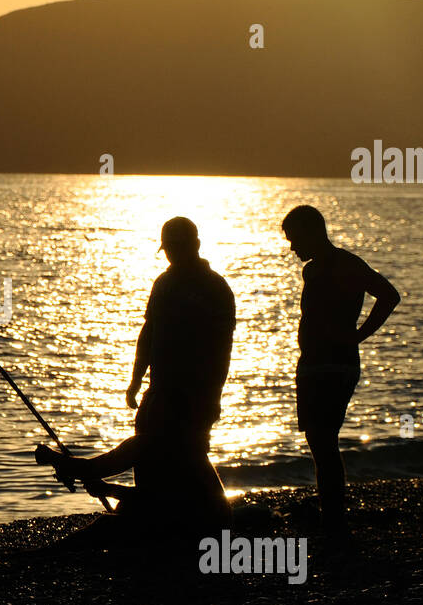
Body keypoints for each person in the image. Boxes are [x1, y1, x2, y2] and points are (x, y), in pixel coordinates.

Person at [36, 216, 236, 547]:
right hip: (175, 397)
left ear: (194, 246)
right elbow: (149, 334)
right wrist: (136, 380)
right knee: (173, 472)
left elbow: (222, 351)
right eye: (168, 249)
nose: (171, 255)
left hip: (192, 397)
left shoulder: (215, 289)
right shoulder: (166, 284)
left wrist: (55, 460)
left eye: (175, 248)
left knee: (123, 509)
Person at [281, 205, 400, 543]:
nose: (292, 249)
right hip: (313, 364)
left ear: (311, 232)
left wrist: (358, 335)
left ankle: (333, 519)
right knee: (320, 441)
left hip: (335, 366)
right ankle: (330, 514)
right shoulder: (312, 270)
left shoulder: (346, 264)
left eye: (294, 240)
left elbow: (389, 295)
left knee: (323, 440)